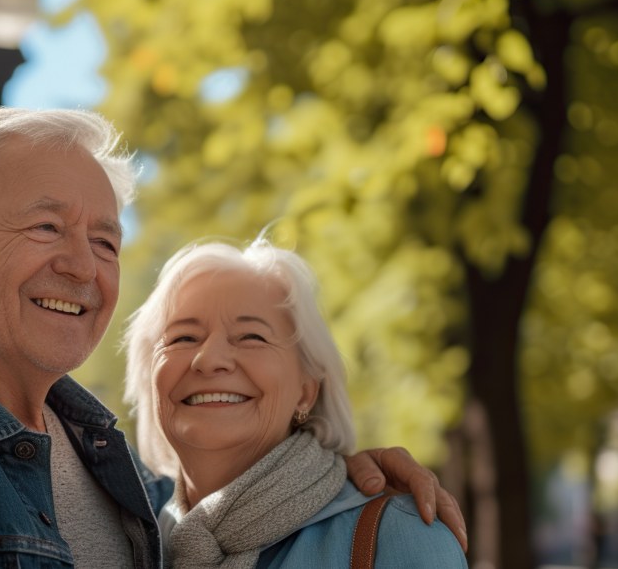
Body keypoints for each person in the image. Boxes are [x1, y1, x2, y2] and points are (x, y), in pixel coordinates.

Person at [0, 108, 465, 567]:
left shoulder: (126, 487)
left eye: (106, 241)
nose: (81, 265)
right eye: (46, 227)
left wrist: (346, 478)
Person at [123, 239, 468, 567]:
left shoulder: (398, 537)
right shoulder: (126, 544)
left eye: (251, 336)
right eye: (183, 337)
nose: (209, 358)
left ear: (306, 391)